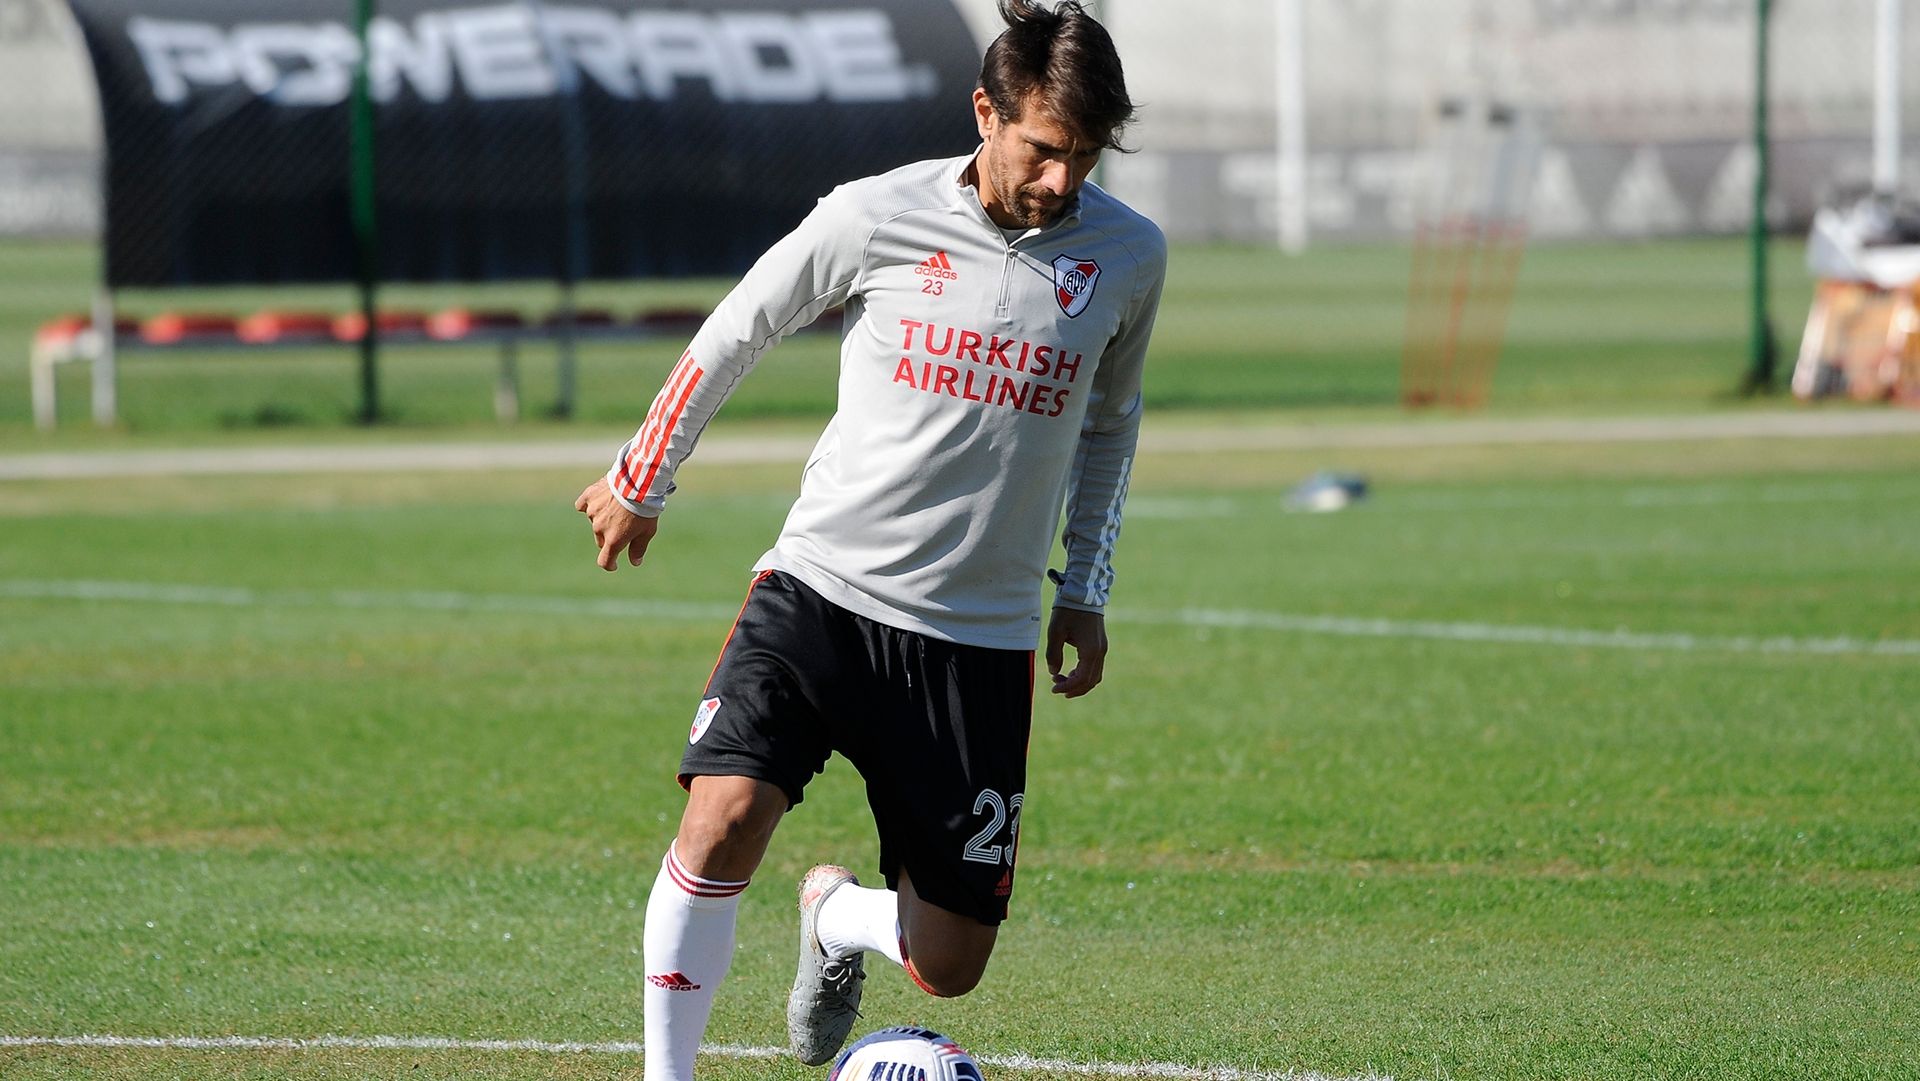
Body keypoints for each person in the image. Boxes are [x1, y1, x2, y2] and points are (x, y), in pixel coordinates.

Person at [572, 2, 1164, 1076]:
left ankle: (838, 915)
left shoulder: (1128, 258)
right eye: (1043, 150)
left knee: (951, 962)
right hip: (822, 591)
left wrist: (1086, 585)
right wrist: (642, 474)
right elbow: (744, 323)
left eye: (1084, 158)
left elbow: (1113, 426)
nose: (1063, 182)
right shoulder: (873, 213)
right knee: (724, 816)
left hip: (976, 639)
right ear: (985, 111)